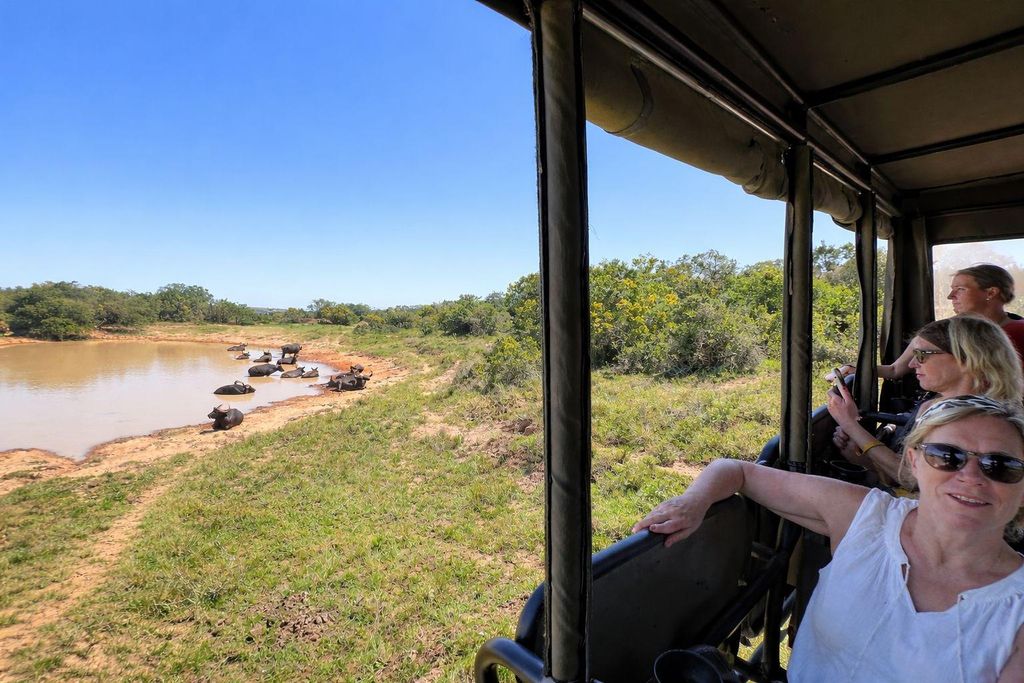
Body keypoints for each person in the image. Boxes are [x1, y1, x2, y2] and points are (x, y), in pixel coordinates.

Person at [634, 395, 1024, 682]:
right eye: (947, 456)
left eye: (1001, 466)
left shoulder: (1015, 611)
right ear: (915, 461)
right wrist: (692, 502)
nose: (972, 477)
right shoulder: (865, 516)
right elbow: (738, 471)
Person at [829, 315, 1023, 485]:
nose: (913, 364)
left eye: (922, 355)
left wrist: (849, 423)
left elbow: (910, 478)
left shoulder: (970, 419)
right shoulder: (940, 405)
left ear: (967, 359)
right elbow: (902, 474)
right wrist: (860, 454)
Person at [831, 264, 1024, 382]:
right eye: (951, 289)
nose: (950, 296)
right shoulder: (941, 332)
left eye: (960, 289)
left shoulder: (1020, 331)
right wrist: (855, 369)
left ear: (991, 293)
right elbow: (895, 370)